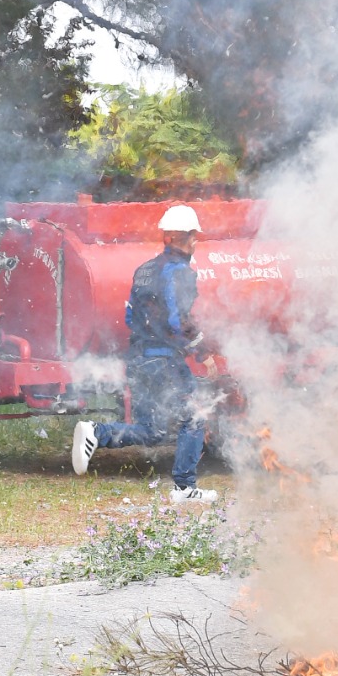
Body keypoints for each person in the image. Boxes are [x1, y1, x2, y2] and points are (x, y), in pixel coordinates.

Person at [71, 204, 216, 504]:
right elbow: (179, 322)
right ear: (181, 238)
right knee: (195, 414)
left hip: (138, 358)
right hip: (164, 361)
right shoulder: (181, 274)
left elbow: (130, 317)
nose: (195, 242)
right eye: (193, 236)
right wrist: (202, 352)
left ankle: (96, 432)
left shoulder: (145, 270)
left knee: (151, 431)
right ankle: (185, 488)